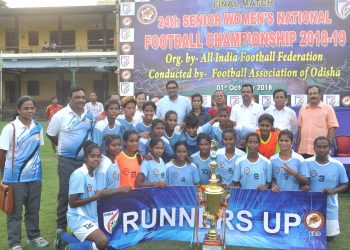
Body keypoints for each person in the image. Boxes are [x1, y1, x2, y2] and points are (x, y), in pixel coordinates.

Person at [0, 96, 49, 250]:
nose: (29, 111)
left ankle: (34, 236)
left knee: (33, 209)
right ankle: (14, 243)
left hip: (35, 177)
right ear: (18, 110)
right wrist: (3, 175)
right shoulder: (10, 128)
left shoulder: (38, 127)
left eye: (32, 108)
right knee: (14, 212)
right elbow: (2, 152)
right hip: (14, 177)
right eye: (26, 108)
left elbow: (36, 151)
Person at [47, 86, 94, 238]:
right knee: (65, 193)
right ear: (69, 99)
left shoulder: (89, 115)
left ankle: (81, 225)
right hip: (66, 161)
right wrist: (64, 147)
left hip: (85, 162)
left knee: (85, 192)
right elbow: (51, 135)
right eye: (77, 97)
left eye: (83, 97)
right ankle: (61, 226)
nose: (81, 100)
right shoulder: (60, 115)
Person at [65, 141, 109, 250]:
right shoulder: (79, 175)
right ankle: (69, 248)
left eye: (99, 156)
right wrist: (95, 197)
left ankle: (63, 238)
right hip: (78, 218)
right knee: (103, 242)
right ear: (86, 158)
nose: (96, 159)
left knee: (97, 244)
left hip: (91, 218)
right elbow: (72, 203)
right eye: (92, 156)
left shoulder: (93, 173)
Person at [305, 137, 348, 241]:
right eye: (318, 147)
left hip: (330, 205)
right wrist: (304, 187)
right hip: (310, 205)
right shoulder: (306, 163)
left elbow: (345, 184)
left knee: (329, 238)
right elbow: (302, 182)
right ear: (314, 148)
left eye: (325, 147)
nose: (321, 150)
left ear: (330, 148)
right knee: (310, 235)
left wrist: (332, 191)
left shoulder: (338, 165)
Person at [297, 85, 339, 158]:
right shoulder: (303, 109)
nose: (312, 96)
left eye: (315, 93)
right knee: (304, 170)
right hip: (303, 150)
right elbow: (300, 129)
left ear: (320, 95)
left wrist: (327, 147)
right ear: (308, 96)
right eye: (310, 94)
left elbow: (332, 129)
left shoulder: (328, 109)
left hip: (321, 151)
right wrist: (297, 147)